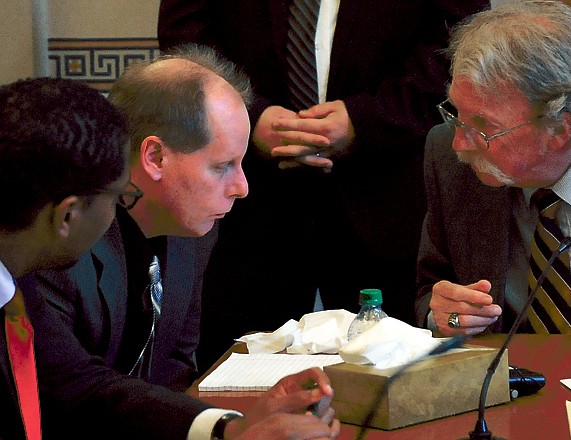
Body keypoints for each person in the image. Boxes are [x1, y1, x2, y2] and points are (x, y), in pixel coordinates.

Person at [20, 46, 340, 439]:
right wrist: (232, 429)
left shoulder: (193, 226)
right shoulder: (60, 238)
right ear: (154, 156)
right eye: (222, 166)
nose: (241, 188)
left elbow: (174, 363)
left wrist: (239, 419)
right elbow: (76, 391)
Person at [157, 0, 490, 371]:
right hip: (248, 199)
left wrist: (366, 121)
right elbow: (186, 40)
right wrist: (245, 115)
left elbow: (459, 39)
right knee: (240, 383)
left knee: (397, 382)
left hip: (388, 192)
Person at [414, 0, 571, 359]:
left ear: (559, 129)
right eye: (457, 114)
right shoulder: (448, 157)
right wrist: (442, 314)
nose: (460, 142)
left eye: (485, 126)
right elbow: (431, 290)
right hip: (508, 387)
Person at [0, 76, 129, 440]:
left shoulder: (16, 280)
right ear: (68, 214)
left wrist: (223, 426)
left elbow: (80, 384)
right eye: (117, 198)